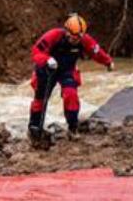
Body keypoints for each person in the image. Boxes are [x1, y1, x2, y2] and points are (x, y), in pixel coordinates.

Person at [27, 13, 114, 145]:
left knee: (71, 95)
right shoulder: (54, 35)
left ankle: (73, 128)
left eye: (78, 38)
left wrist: (108, 62)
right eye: (73, 37)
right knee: (40, 99)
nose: (75, 40)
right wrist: (47, 59)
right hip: (47, 68)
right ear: (67, 31)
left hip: (67, 70)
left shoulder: (84, 40)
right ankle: (34, 129)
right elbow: (36, 52)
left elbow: (96, 52)